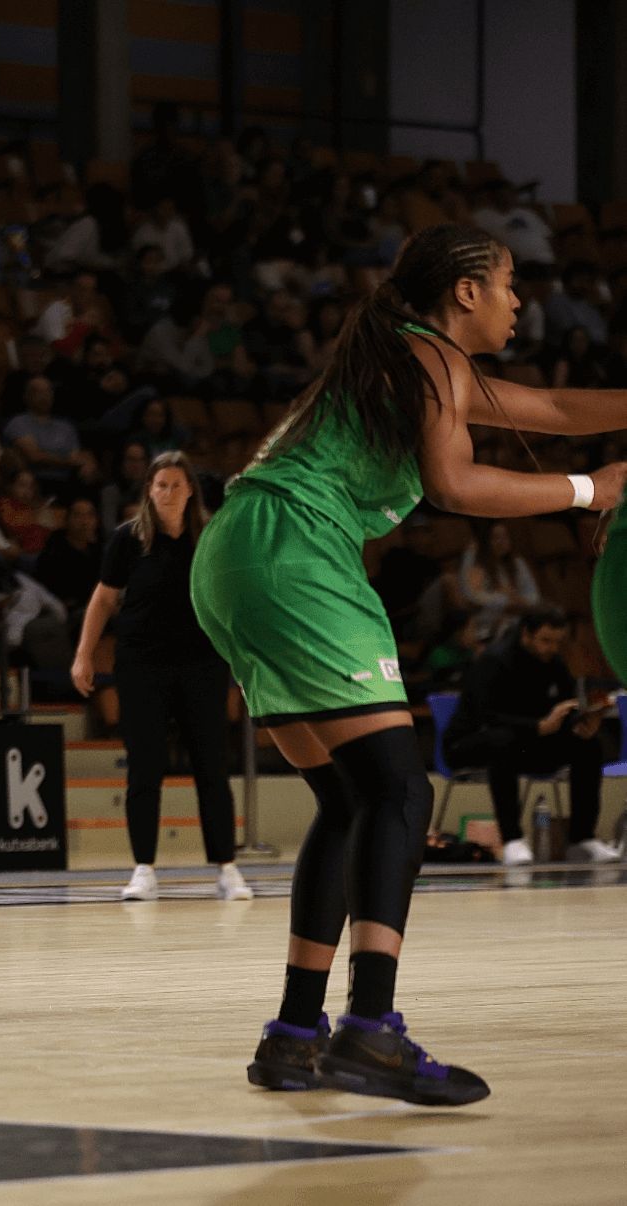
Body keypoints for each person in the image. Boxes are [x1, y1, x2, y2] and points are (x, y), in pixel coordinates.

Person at [190, 223, 627, 1108]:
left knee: (350, 801)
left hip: (233, 556)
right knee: (399, 789)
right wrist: (590, 489)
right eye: (508, 284)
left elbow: (551, 411)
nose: (519, 301)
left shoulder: (413, 358)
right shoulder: (427, 355)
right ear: (464, 291)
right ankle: (371, 1032)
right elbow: (456, 487)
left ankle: (295, 1032)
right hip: (296, 552)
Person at [72, 452, 246, 903]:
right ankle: (144, 868)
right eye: (159, 485)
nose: (167, 492)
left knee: (211, 767)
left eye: (175, 484)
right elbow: (103, 601)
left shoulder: (212, 536)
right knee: (145, 770)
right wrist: (84, 655)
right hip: (141, 666)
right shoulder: (128, 539)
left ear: (190, 490)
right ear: (149, 490)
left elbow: (231, 600)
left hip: (202, 664)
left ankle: (227, 867)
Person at [443, 606, 620, 865]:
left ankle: (582, 838)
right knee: (502, 741)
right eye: (545, 640)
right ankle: (512, 838)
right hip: (470, 744)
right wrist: (537, 726)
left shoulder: (554, 663)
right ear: (526, 634)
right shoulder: (494, 661)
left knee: (587, 746)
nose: (551, 648)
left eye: (557, 642)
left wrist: (582, 723)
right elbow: (486, 716)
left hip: (528, 743)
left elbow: (565, 706)